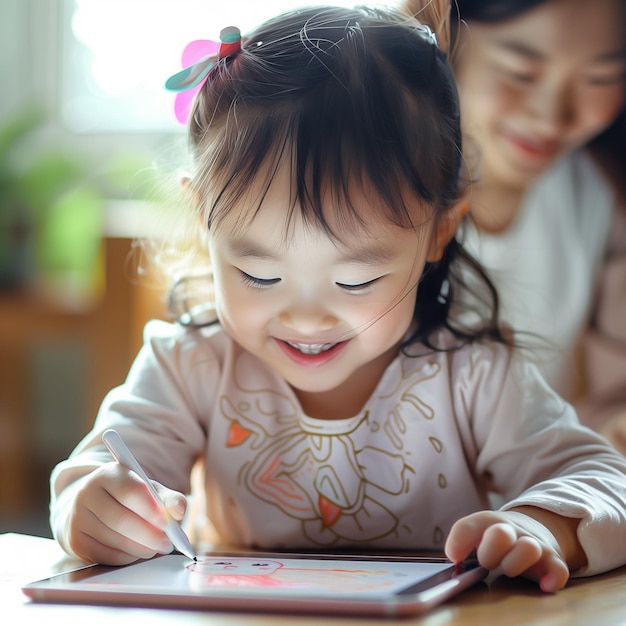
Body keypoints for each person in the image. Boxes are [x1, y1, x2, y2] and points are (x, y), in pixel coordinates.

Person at [50, 4, 626, 594]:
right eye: (258, 274)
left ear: (438, 232)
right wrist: (92, 507)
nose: (305, 316)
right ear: (204, 219)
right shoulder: (188, 366)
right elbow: (96, 473)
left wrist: (543, 527)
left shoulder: (473, 378)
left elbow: (607, 481)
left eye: (354, 282)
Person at [400, 0, 626, 452]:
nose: (551, 115)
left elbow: (614, 398)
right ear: (443, 39)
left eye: (600, 78)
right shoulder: (369, 197)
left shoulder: (601, 195)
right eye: (520, 71)